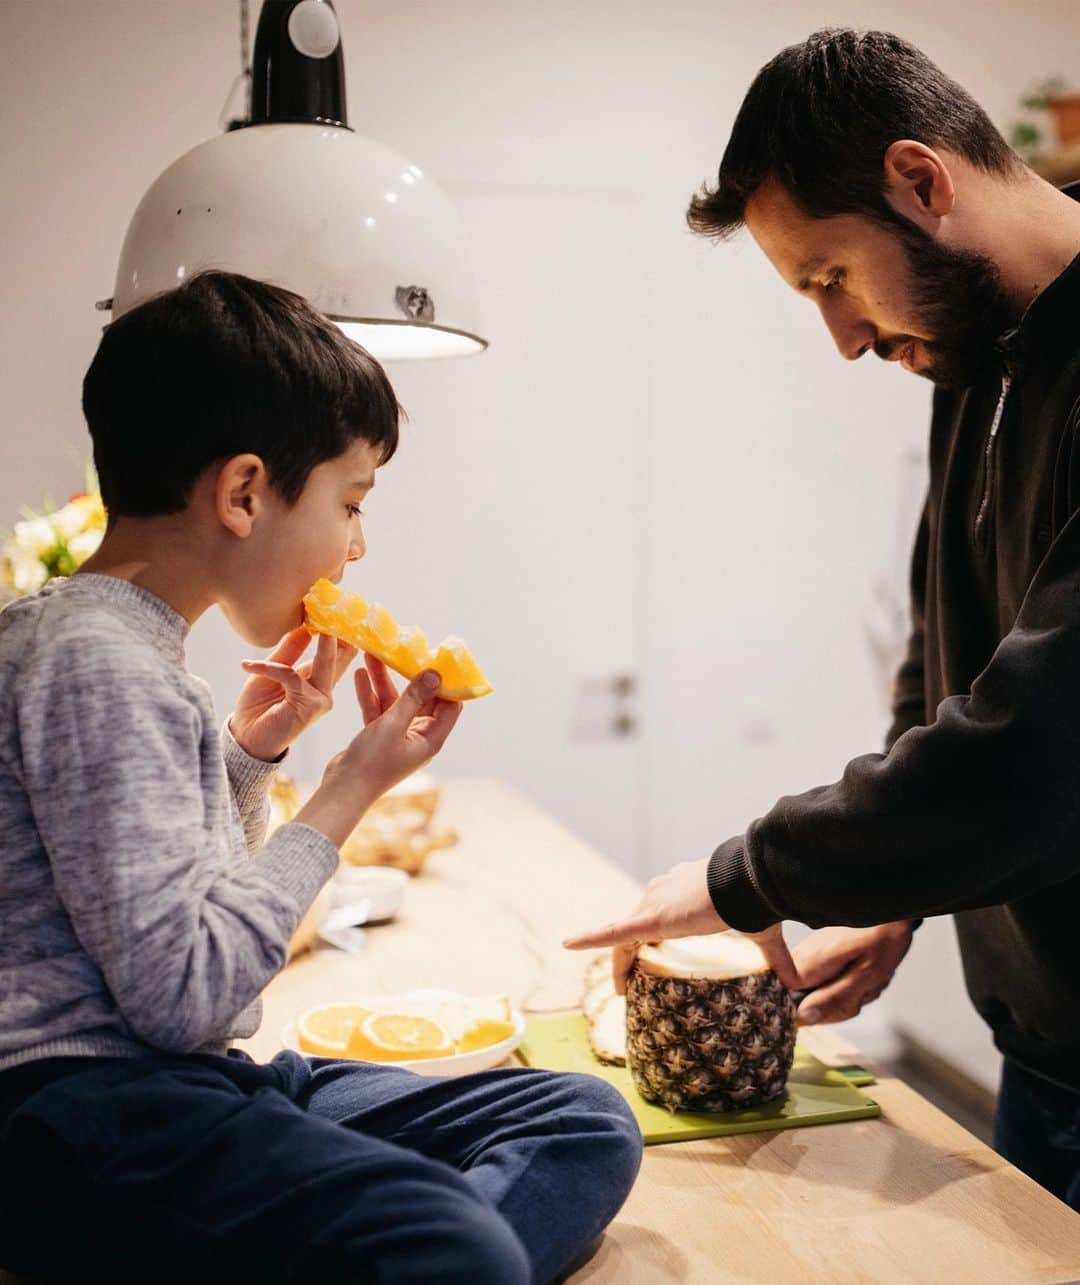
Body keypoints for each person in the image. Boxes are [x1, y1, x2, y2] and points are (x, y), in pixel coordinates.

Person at [0, 270, 641, 1283]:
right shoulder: (98, 662)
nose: (357, 545)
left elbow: (163, 916)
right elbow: (186, 996)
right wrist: (349, 786)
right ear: (245, 492)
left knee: (579, 1116)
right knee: (449, 1241)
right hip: (88, 1119)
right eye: (351, 502)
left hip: (185, 1086)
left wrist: (248, 760)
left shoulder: (105, 645)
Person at [566, 28, 1080, 1211]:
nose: (843, 337)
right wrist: (898, 891)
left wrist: (750, 874)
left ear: (921, 180)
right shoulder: (985, 354)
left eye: (830, 279)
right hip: (1043, 1052)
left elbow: (1049, 743)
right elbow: (948, 663)